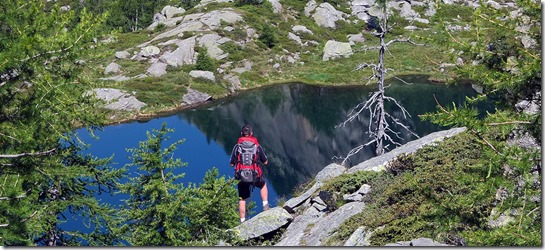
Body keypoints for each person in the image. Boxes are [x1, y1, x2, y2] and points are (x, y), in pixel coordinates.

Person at [230, 124, 269, 223]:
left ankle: (242, 221)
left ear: (241, 134)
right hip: (254, 174)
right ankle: (265, 206)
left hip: (241, 176)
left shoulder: (237, 147)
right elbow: (265, 162)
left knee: (242, 198)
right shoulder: (257, 146)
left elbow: (231, 164)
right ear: (251, 134)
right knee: (263, 184)